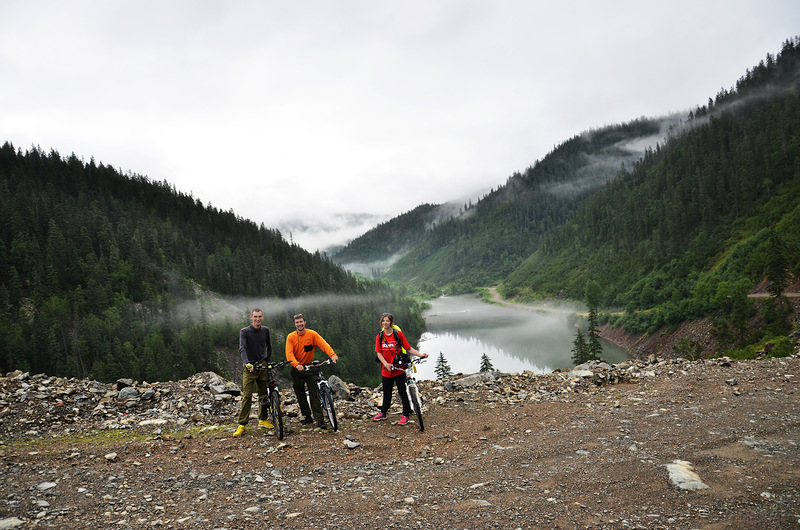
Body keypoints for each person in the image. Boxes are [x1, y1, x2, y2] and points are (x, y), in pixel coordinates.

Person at [373, 312, 428, 426]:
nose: (385, 323)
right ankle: (383, 413)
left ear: (391, 322)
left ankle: (405, 415)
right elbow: (379, 353)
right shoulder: (380, 336)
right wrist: (386, 364)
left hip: (399, 369)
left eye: (387, 321)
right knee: (387, 393)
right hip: (386, 369)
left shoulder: (398, 334)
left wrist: (420, 355)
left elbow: (408, 348)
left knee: (403, 393)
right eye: (383, 321)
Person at [285, 313, 338, 430]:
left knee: (314, 394)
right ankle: (307, 416)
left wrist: (332, 355)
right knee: (300, 394)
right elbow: (289, 353)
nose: (299, 324)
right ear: (295, 324)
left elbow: (323, 344)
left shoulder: (312, 334)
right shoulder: (291, 337)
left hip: (309, 368)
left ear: (305, 322)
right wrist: (296, 364)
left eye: (301, 322)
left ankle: (319, 419)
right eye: (297, 322)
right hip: (296, 369)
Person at [233, 308, 274, 436]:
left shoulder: (265, 330)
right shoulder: (244, 331)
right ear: (251, 317)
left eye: (259, 317)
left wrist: (267, 360)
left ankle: (263, 419)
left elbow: (269, 346)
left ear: (263, 317)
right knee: (247, 395)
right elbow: (242, 348)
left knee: (263, 394)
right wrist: (246, 363)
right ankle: (242, 424)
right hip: (249, 366)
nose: (257, 319)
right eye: (255, 317)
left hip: (262, 365)